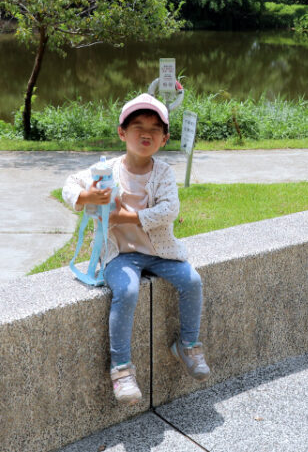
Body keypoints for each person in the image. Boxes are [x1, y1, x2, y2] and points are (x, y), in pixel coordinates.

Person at [62, 92, 209, 405]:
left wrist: (121, 216)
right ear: (122, 132)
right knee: (127, 291)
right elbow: (68, 186)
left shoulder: (164, 172)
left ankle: (189, 345)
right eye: (138, 126)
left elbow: (169, 210)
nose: (146, 133)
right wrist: (88, 197)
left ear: (165, 138)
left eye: (155, 129)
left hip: (160, 252)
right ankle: (122, 369)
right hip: (120, 254)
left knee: (192, 281)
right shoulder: (106, 170)